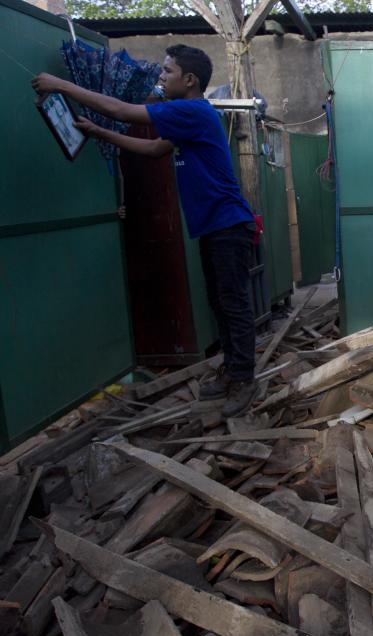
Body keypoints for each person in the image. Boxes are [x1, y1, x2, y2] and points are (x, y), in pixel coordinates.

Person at [33, 44, 259, 417]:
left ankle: (245, 378)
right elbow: (156, 148)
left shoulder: (191, 110)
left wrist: (62, 85)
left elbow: (122, 111)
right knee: (221, 303)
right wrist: (101, 134)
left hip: (227, 225)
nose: (161, 77)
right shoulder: (188, 117)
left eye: (167, 72)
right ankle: (232, 370)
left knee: (232, 304)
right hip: (217, 226)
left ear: (189, 80)